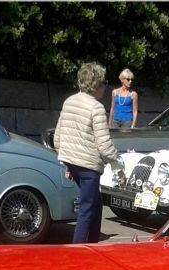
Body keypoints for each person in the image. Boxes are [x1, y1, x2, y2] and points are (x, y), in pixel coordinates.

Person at [53, 62, 124, 244]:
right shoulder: (96, 108)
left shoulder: (69, 101)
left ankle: (92, 242)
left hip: (71, 160)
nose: (105, 88)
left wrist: (65, 159)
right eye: (104, 83)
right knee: (86, 207)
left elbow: (58, 136)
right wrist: (117, 161)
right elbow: (104, 143)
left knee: (95, 202)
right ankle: (80, 250)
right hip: (88, 166)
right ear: (97, 86)